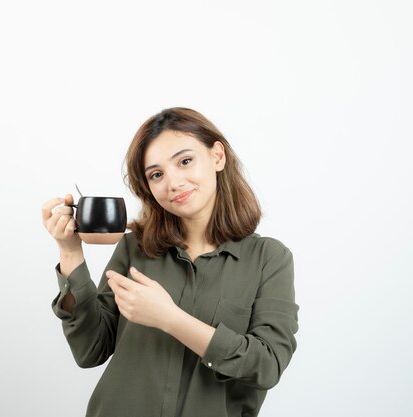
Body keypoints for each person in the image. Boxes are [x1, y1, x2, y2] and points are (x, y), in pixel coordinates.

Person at [41, 107, 299, 417]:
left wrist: (170, 318)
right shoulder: (135, 248)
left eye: (185, 161)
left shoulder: (269, 259)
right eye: (156, 174)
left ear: (217, 156)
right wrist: (70, 252)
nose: (173, 183)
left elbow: (266, 366)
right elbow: (90, 350)